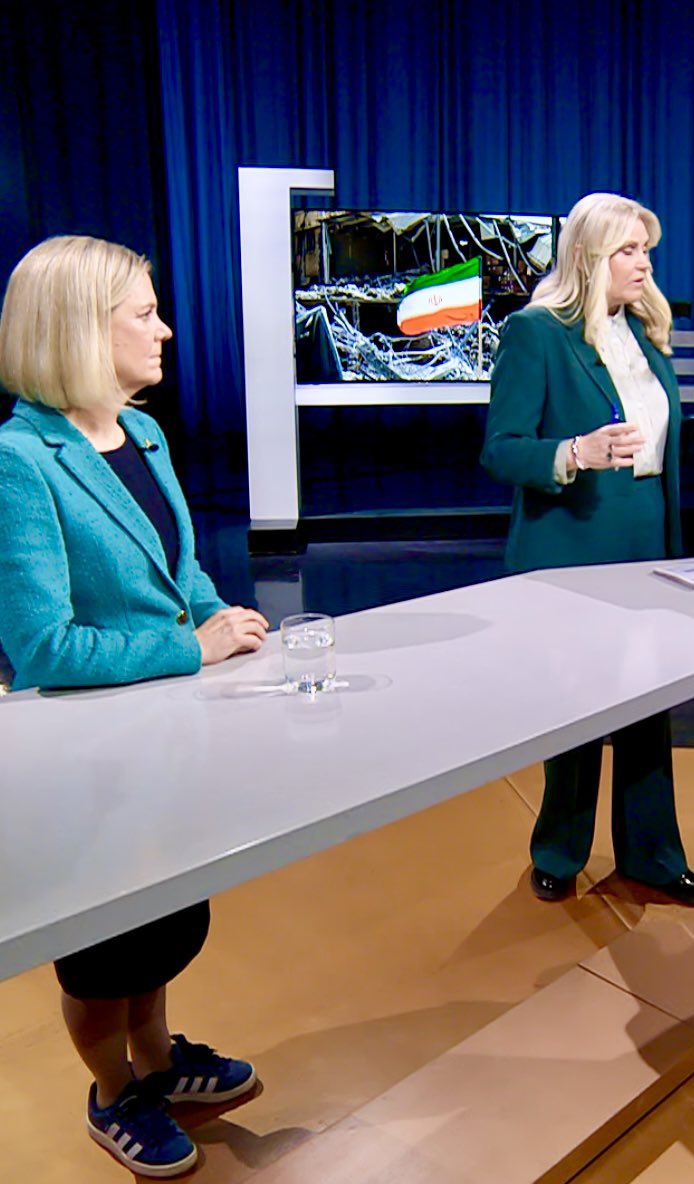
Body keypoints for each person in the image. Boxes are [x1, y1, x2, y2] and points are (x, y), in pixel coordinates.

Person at [0, 236, 269, 1176]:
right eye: (144, 314)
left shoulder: (142, 434)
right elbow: (43, 647)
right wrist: (191, 648)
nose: (165, 330)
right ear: (80, 328)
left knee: (164, 921)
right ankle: (113, 1093)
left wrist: (224, 622)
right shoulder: (19, 460)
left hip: (167, 738)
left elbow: (178, 573)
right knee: (103, 951)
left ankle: (158, 1061)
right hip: (89, 757)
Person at [481, 192, 694, 906]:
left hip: (646, 548)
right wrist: (575, 451)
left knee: (647, 705)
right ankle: (559, 851)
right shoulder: (535, 333)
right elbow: (501, 449)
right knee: (573, 705)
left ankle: (652, 855)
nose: (644, 264)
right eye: (628, 250)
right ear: (588, 256)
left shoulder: (644, 335)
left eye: (646, 250)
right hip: (572, 551)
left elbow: (653, 449)